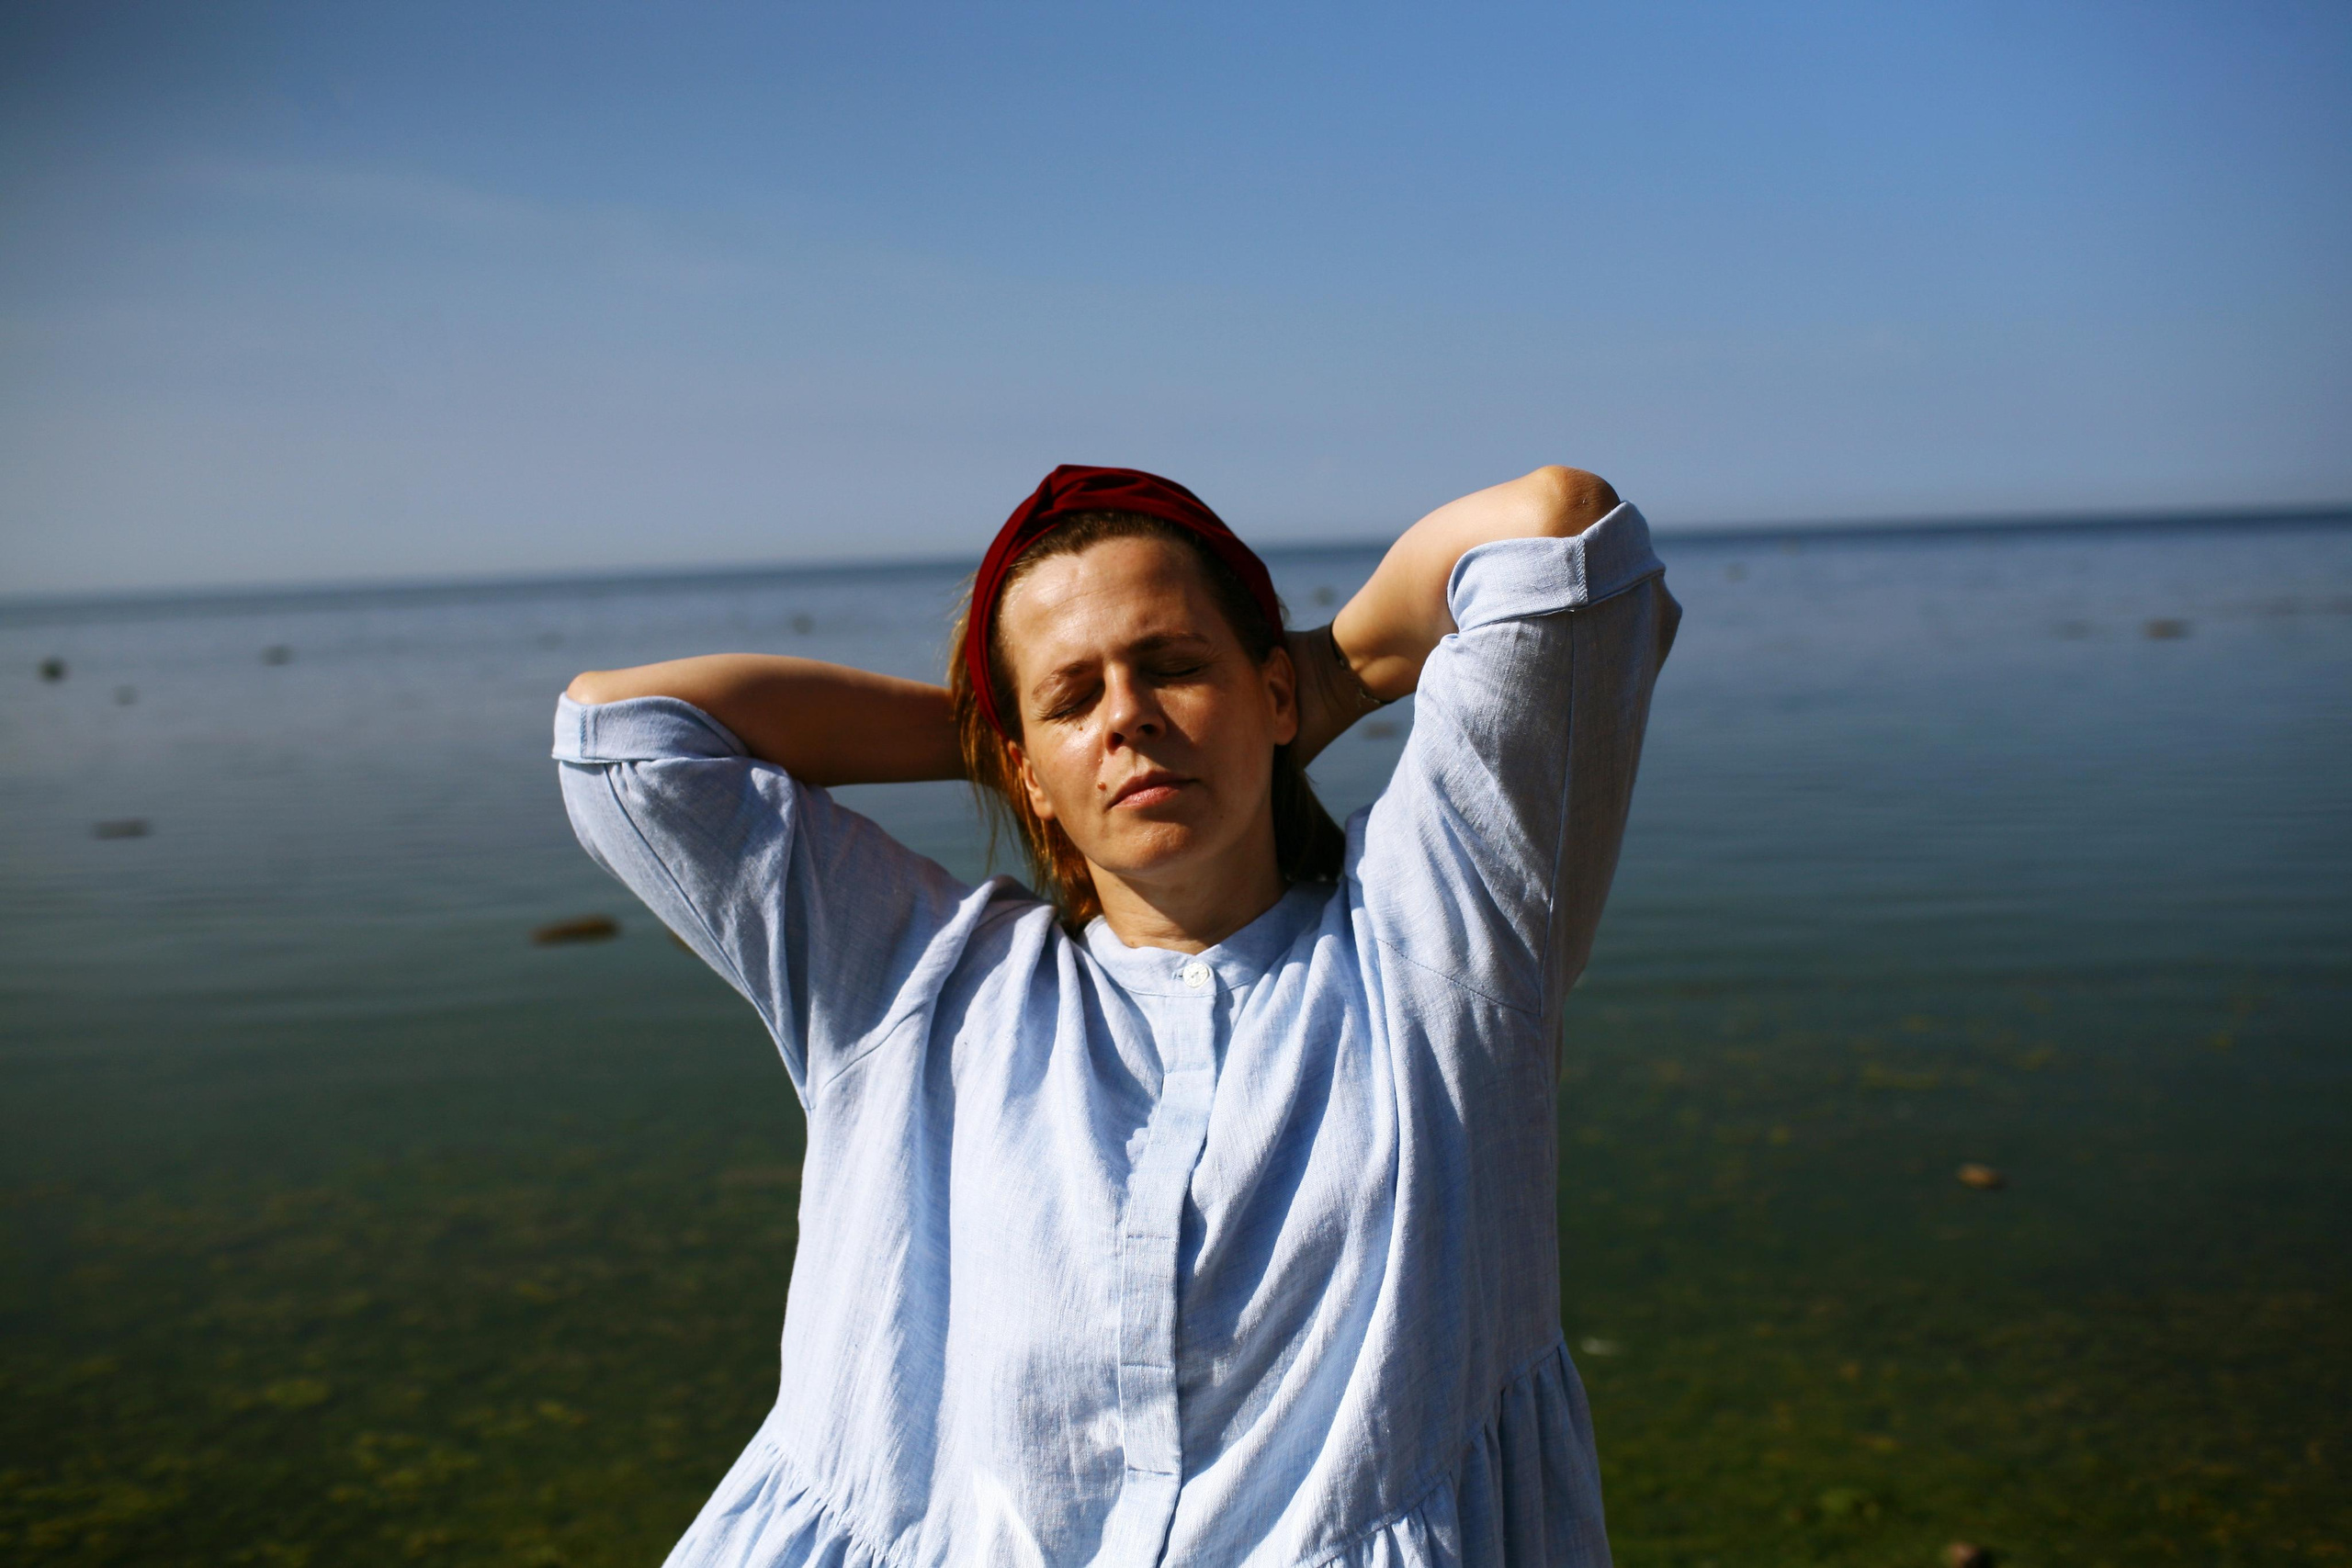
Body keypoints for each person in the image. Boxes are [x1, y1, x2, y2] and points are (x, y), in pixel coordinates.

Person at [556, 463, 1679, 1568]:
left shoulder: (1439, 941)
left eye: (1174, 666)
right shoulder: (907, 982)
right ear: (1022, 772)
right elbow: (624, 737)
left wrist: (1327, 679)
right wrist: (998, 741)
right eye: (1074, 693)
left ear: (1270, 692)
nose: (1128, 718)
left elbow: (1562, 538)